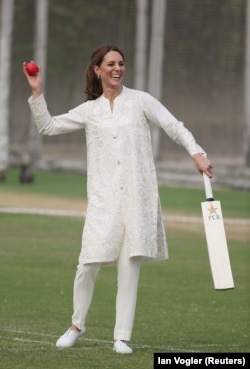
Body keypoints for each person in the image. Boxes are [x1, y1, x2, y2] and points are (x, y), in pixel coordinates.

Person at [23, 44, 213, 354]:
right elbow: (47, 126)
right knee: (87, 265)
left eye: (121, 63)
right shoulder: (89, 110)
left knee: (129, 267)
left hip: (137, 198)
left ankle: (121, 337)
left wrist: (197, 152)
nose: (117, 68)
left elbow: (172, 125)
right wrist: (37, 92)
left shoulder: (140, 101)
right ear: (97, 70)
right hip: (103, 201)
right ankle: (76, 325)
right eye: (110, 63)